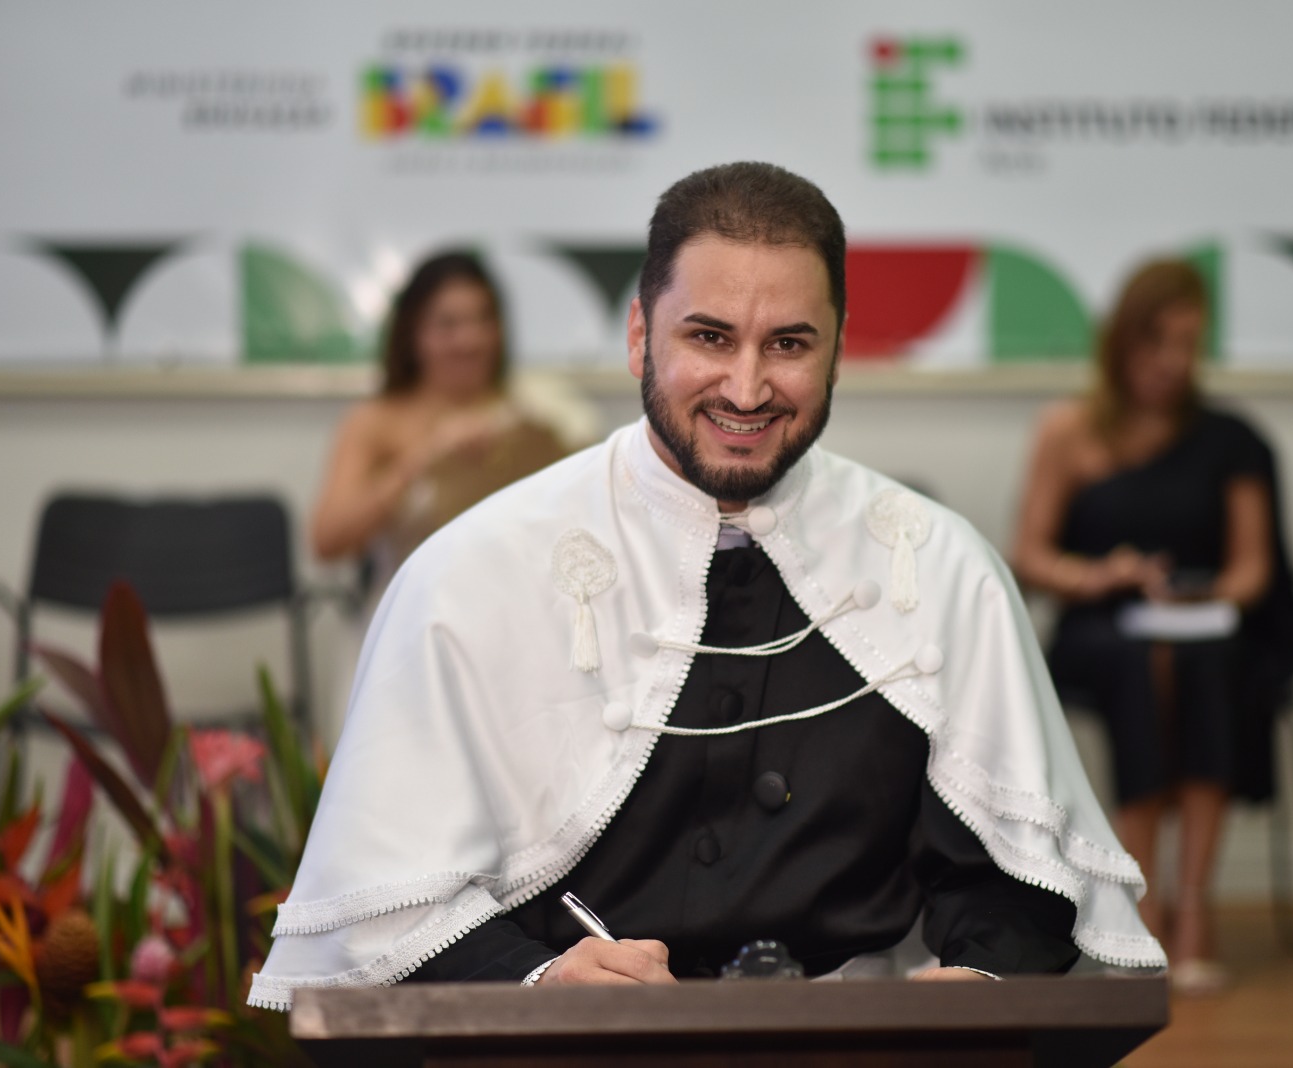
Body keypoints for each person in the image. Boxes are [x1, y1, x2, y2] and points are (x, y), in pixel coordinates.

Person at [247, 162, 1163, 1010]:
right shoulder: (470, 573)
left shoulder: (941, 567)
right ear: (639, 335)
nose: (748, 387)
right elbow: (385, 906)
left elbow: (1014, 876)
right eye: (710, 337)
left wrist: (977, 983)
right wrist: (537, 978)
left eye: (789, 343)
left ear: (838, 349)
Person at [1010, 260, 1293, 994]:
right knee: (1139, 662)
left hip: (1202, 626)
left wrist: (1199, 599)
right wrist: (1100, 575)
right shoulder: (1069, 430)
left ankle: (1193, 902)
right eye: (1157, 341)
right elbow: (1030, 555)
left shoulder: (1232, 439)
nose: (1172, 361)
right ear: (1122, 339)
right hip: (1100, 626)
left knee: (1204, 659)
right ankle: (1136, 895)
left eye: (1188, 344)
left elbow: (1253, 569)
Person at [309, 250, 571, 597]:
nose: (469, 340)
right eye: (448, 325)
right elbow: (327, 542)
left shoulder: (533, 411)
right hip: (410, 608)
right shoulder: (376, 420)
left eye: (483, 320)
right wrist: (423, 458)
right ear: (413, 333)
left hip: (516, 604)